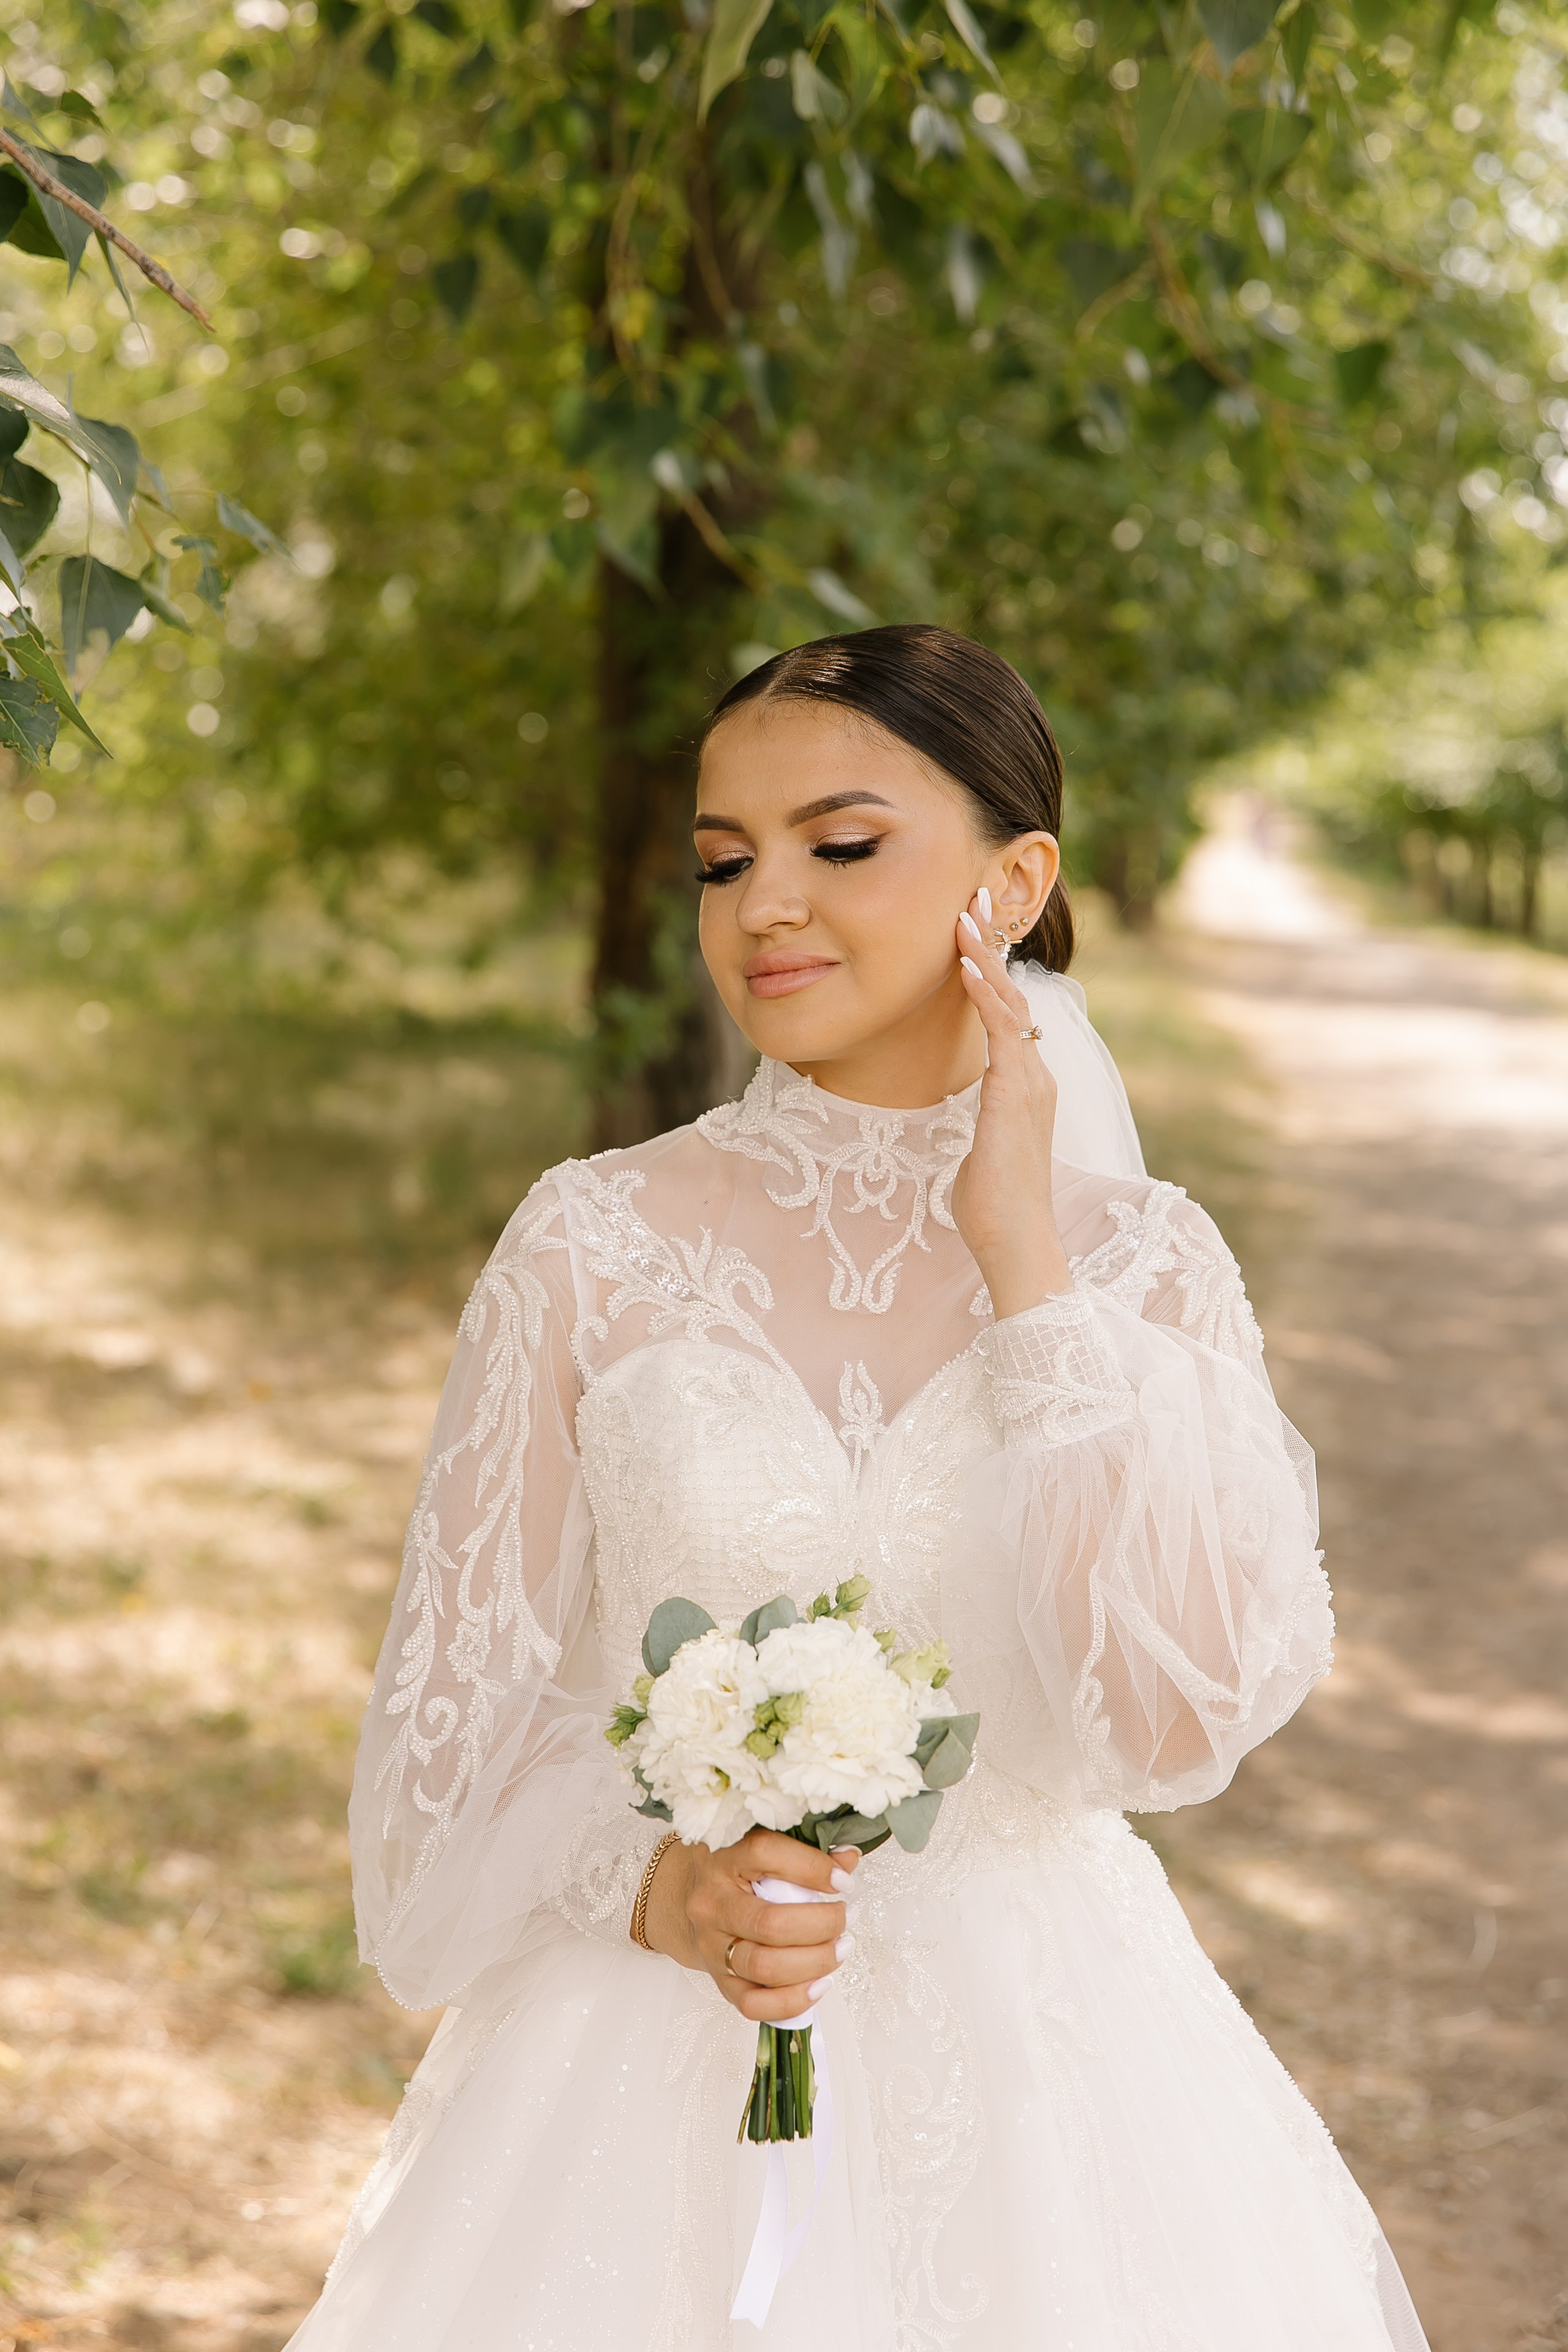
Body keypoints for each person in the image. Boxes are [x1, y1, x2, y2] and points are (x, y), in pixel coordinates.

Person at [287, 625, 1430, 2351]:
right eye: (721, 861)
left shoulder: (1146, 1266)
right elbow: (448, 1741)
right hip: (642, 2072)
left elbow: (1166, 1727)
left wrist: (1028, 1268)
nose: (765, 907)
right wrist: (659, 1887)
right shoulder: (594, 1240)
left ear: (1015, 878)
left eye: (842, 843)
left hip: (1060, 2084)